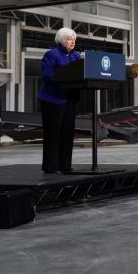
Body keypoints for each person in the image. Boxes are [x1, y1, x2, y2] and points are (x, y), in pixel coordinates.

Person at [38, 27, 81, 174]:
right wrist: (66, 78)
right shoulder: (51, 55)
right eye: (69, 39)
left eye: (74, 39)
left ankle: (65, 165)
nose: (73, 42)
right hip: (52, 100)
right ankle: (50, 166)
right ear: (61, 40)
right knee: (53, 134)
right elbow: (47, 75)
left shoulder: (76, 56)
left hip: (69, 100)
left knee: (67, 134)